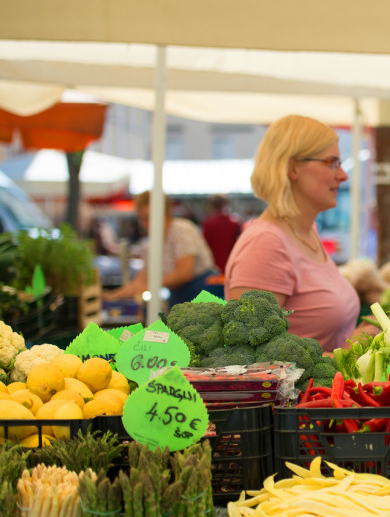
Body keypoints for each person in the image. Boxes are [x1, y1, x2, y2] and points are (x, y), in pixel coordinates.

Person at [223, 115, 360, 352]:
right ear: (292, 167)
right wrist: (352, 351)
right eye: (332, 162)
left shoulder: (307, 232)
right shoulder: (266, 244)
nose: (343, 175)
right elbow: (249, 360)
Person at [105, 191, 218, 307]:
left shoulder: (183, 230)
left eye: (150, 217)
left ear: (166, 213)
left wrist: (150, 286)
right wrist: (112, 295)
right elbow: (140, 281)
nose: (146, 223)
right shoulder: (150, 244)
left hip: (204, 293)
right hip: (179, 297)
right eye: (142, 218)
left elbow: (184, 273)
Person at [201, 194, 242, 274]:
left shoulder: (208, 223)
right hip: (231, 266)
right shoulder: (234, 222)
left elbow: (205, 246)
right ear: (225, 204)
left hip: (213, 268)